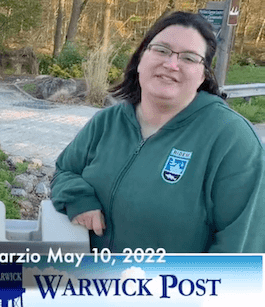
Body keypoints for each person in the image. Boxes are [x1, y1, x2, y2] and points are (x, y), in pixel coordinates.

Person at [51, 11, 265, 253]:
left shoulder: (232, 140)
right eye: (162, 50)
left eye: (188, 58)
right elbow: (65, 170)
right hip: (94, 282)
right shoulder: (107, 122)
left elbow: (241, 253)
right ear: (141, 58)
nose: (171, 64)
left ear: (203, 73)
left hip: (178, 288)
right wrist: (78, 199)